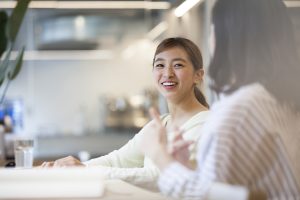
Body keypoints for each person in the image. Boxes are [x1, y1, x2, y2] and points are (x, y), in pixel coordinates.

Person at [142, 0, 300, 199]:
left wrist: (159, 155)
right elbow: (234, 187)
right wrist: (185, 168)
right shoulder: (284, 101)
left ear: (228, 37)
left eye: (213, 29)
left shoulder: (242, 109)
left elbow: (208, 196)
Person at [41, 37, 210, 191]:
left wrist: (85, 170)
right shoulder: (160, 124)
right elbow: (118, 160)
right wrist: (73, 168)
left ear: (198, 75)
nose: (167, 73)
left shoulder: (205, 124)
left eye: (178, 65)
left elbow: (159, 176)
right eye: (160, 65)